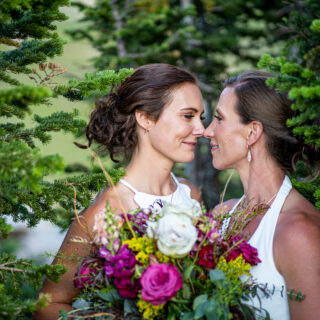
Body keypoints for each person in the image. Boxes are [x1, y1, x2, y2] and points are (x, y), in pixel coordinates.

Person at [34, 63, 205, 319]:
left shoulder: (191, 196)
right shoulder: (105, 212)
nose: (201, 129)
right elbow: (47, 305)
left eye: (201, 117)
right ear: (145, 118)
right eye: (188, 116)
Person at [205, 70, 320, 320]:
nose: (208, 131)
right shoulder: (222, 215)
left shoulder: (299, 232)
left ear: (252, 132)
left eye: (219, 118)